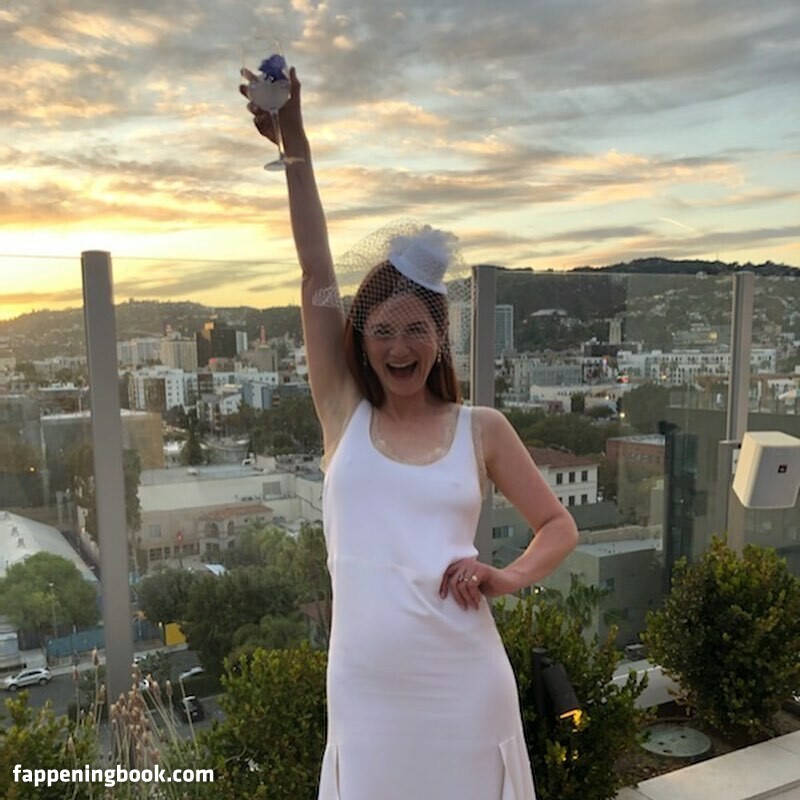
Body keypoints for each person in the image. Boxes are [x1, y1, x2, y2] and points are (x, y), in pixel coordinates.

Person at [241, 67, 579, 800]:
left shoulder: (481, 429)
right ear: (361, 342)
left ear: (440, 336)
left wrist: (507, 576)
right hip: (365, 691)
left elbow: (559, 525)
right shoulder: (344, 413)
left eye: (416, 330)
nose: (399, 348)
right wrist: (295, 144)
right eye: (383, 332)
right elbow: (314, 269)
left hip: (466, 681)